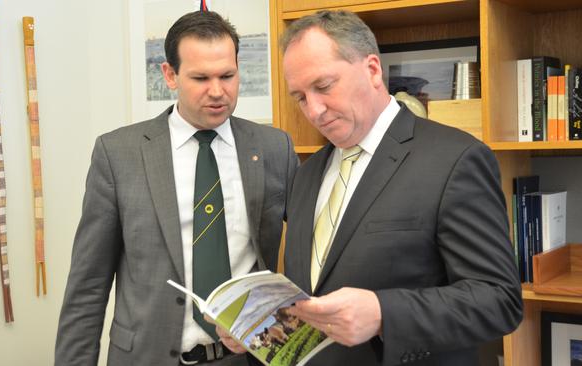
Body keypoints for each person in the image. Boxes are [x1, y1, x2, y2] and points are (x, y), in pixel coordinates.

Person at [254, 10, 521, 365]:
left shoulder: (456, 159)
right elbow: (313, 301)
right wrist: (257, 330)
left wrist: (384, 313)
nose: (314, 110)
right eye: (301, 97)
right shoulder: (306, 173)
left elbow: (499, 300)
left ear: (373, 70)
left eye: (323, 86)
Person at [55, 10, 298, 366]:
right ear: (170, 74)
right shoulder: (118, 154)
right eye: (200, 78)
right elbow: (88, 286)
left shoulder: (275, 148)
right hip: (147, 356)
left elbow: (307, 258)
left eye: (227, 76)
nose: (218, 92)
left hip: (247, 358)